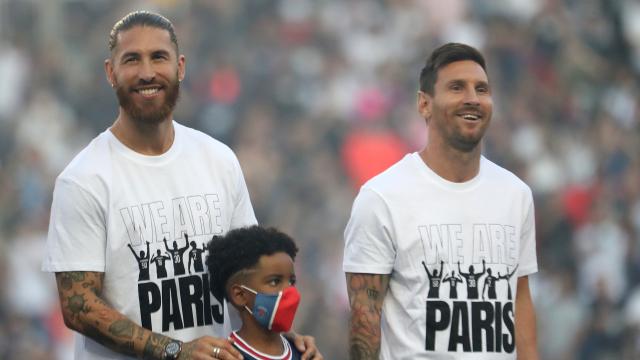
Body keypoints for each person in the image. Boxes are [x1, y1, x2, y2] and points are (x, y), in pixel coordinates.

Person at [43, 11, 319, 360]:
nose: (147, 72)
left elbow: (248, 274)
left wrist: (281, 338)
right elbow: (78, 307)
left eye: (159, 57)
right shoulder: (83, 179)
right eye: (132, 60)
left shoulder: (218, 160)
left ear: (181, 67)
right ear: (111, 73)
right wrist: (173, 350)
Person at [343, 43, 539, 359]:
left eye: (482, 89)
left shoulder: (516, 195)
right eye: (456, 88)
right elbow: (364, 321)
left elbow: (520, 301)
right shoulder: (381, 198)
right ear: (424, 105)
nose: (473, 98)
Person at [206, 226, 304, 360]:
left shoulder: (305, 353)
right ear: (239, 295)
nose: (290, 291)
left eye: (292, 281)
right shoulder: (226, 356)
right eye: (275, 281)